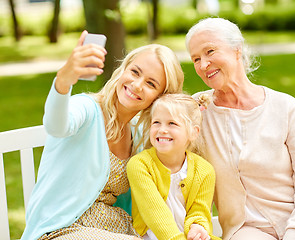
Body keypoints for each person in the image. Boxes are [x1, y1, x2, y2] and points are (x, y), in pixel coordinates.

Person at [20, 30, 184, 240]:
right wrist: (63, 80)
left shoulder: (141, 134)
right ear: (123, 69)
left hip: (115, 228)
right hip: (60, 230)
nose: (137, 85)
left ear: (160, 97)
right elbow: (56, 126)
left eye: (151, 83)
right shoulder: (87, 109)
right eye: (135, 72)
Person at [185, 17, 295, 240]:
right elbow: (165, 138)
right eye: (196, 58)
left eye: (210, 51)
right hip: (246, 229)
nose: (203, 65)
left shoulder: (285, 107)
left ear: (237, 50)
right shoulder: (197, 110)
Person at [127, 93, 221, 240]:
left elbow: (199, 211)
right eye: (156, 122)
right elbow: (154, 212)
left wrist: (197, 227)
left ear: (193, 132)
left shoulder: (204, 170)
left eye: (172, 123)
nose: (162, 129)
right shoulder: (140, 165)